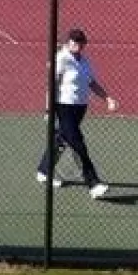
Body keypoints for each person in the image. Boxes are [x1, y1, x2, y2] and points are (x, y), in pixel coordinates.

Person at [37, 28, 118, 199]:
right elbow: (51, 85)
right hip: (64, 107)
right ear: (68, 43)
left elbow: (92, 83)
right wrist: (48, 109)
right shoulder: (61, 59)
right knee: (78, 144)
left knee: (61, 139)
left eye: (81, 42)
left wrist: (108, 98)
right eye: (74, 41)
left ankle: (44, 172)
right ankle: (93, 183)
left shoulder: (84, 61)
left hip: (79, 108)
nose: (78, 45)